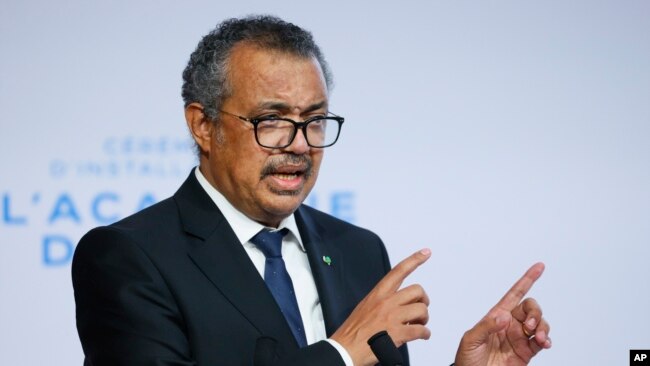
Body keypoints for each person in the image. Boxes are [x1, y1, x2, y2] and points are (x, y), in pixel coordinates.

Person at [72, 15, 551, 366]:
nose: (300, 145)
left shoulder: (358, 251)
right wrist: (340, 354)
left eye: (315, 121)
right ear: (203, 125)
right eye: (273, 120)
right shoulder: (129, 257)